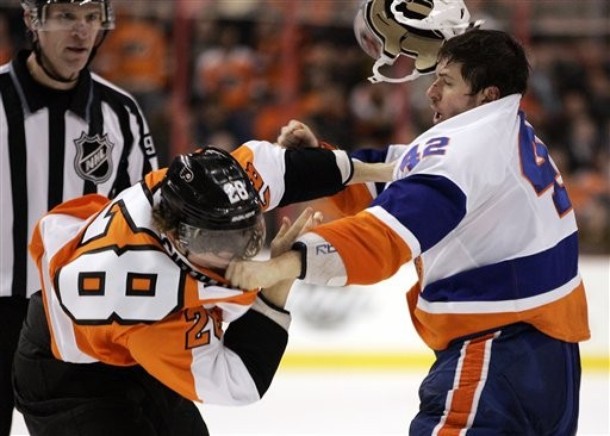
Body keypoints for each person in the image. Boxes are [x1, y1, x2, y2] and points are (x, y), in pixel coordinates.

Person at [226, 27, 591, 436]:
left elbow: (383, 239)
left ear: (487, 95)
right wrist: (320, 162)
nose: (431, 92)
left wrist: (284, 265)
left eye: (446, 82)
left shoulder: (465, 151)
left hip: (497, 357)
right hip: (550, 357)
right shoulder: (505, 129)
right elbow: (403, 172)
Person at [13, 140, 394, 436]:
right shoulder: (146, 299)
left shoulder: (203, 193)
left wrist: (385, 171)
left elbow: (282, 168)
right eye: (219, 241)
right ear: (175, 234)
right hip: (70, 375)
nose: (237, 250)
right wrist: (279, 277)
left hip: (126, 344)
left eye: (247, 231)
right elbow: (238, 380)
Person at [0, 1, 158, 434]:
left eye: (91, 18)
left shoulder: (121, 113)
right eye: (66, 16)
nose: (82, 31)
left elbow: (147, 217)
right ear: (32, 20)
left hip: (81, 318)